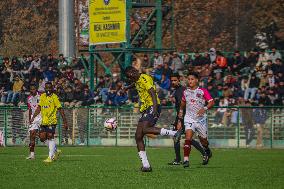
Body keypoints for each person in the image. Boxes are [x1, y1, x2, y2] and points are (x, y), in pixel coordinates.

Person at [124, 66, 179, 172]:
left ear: (134, 72)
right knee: (138, 136)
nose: (131, 78)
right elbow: (135, 84)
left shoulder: (144, 78)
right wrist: (127, 88)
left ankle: (174, 133)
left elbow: (153, 92)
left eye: (131, 75)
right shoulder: (137, 80)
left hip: (152, 106)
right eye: (129, 77)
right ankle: (146, 166)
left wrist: (154, 108)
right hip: (145, 108)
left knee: (145, 129)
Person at [168, 73, 208, 166]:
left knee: (177, 137)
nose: (173, 82)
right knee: (187, 139)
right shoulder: (177, 91)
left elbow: (186, 107)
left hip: (186, 118)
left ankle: (178, 159)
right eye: (172, 80)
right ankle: (204, 154)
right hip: (182, 117)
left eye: (175, 80)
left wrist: (180, 121)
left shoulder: (182, 91)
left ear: (179, 80)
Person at [177, 72, 215, 168]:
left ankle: (206, 150)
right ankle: (186, 159)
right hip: (189, 118)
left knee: (204, 141)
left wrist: (204, 108)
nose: (190, 81)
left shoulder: (203, 91)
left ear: (197, 80)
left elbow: (211, 102)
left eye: (192, 79)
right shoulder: (186, 92)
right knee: (188, 138)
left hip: (201, 120)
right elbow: (182, 102)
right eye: (189, 79)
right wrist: (181, 111)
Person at [30, 82, 68, 163]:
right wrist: (33, 117)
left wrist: (65, 122)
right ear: (45, 89)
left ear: (52, 88)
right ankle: (55, 150)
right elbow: (39, 108)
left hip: (52, 120)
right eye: (47, 88)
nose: (48, 89)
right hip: (44, 121)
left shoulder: (55, 97)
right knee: (42, 138)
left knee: (50, 136)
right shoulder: (43, 96)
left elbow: (60, 109)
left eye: (50, 88)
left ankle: (50, 157)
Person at [26, 84, 41, 160]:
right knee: (32, 134)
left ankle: (54, 150)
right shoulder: (29, 98)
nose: (32, 90)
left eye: (34, 89)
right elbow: (30, 109)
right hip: (33, 118)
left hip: (41, 116)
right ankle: (32, 155)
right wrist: (30, 120)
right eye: (31, 89)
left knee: (43, 137)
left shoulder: (41, 96)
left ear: (36, 89)